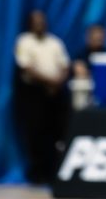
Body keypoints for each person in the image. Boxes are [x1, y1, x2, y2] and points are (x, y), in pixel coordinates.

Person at [14, 10, 71, 184]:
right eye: (36, 21)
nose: (40, 24)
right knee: (36, 133)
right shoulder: (24, 41)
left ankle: (54, 172)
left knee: (56, 133)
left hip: (56, 94)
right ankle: (37, 174)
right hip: (35, 93)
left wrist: (58, 82)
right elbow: (26, 67)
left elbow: (65, 66)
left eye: (42, 20)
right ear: (30, 23)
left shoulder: (55, 42)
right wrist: (49, 82)